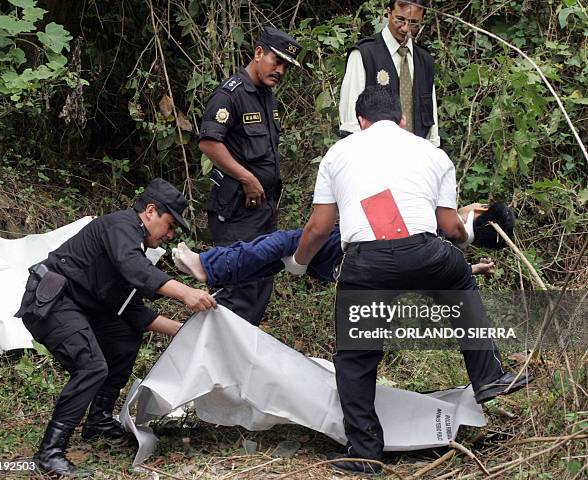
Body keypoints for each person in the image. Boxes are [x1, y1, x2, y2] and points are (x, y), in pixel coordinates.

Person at [285, 85, 532, 475]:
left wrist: (299, 263)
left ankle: (365, 453)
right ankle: (488, 377)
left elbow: (319, 227)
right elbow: (450, 228)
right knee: (459, 284)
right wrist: (471, 232)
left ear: (360, 123)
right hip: (426, 252)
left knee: (355, 357)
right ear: (402, 120)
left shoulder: (339, 153)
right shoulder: (431, 153)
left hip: (366, 263)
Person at [14, 178, 217, 477]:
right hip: (53, 302)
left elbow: (133, 312)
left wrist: (186, 330)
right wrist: (186, 292)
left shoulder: (133, 245)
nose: (170, 235)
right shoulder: (121, 227)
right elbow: (137, 270)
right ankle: (50, 453)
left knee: (124, 338)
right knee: (92, 366)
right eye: (171, 225)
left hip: (81, 308)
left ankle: (98, 420)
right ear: (150, 211)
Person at [199, 27, 302, 326]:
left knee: (259, 287)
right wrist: (246, 177)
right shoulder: (230, 94)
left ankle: (239, 361)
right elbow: (209, 142)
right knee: (235, 289)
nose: (280, 70)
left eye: (286, 66)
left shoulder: (266, 96)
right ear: (258, 53)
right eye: (276, 60)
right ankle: (215, 362)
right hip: (235, 211)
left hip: (263, 211)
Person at [171, 204, 512, 287]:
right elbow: (427, 272)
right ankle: (214, 271)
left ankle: (208, 265)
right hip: (357, 267)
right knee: (276, 258)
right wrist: (471, 268)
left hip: (354, 250)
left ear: (480, 211)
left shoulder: (446, 224)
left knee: (283, 242)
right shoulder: (452, 253)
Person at [339, 0, 440, 146]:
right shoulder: (364, 54)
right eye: (400, 19)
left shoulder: (425, 60)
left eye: (413, 23)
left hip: (416, 158)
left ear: (422, 20)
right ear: (389, 12)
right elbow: (350, 123)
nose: (405, 28)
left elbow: (432, 122)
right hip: (374, 154)